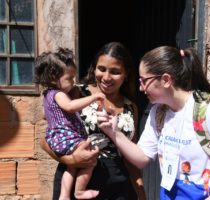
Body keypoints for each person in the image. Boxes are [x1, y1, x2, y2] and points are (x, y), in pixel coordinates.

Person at [97, 46, 210, 199]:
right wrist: (113, 132)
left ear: (165, 80)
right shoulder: (158, 112)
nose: (140, 87)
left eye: (144, 81)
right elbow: (142, 158)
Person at [41, 42, 146, 200]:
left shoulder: (131, 107)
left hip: (118, 186)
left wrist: (140, 192)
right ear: (94, 68)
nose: (106, 77)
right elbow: (45, 140)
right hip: (78, 180)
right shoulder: (76, 93)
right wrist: (71, 159)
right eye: (101, 69)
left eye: (115, 72)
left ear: (126, 74)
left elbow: (132, 156)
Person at [34, 48, 104, 200]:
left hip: (58, 137)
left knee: (71, 166)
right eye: (70, 78)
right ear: (54, 77)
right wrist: (94, 97)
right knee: (90, 161)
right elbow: (71, 106)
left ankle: (64, 195)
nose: (74, 82)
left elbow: (48, 116)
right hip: (67, 137)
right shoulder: (59, 94)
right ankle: (79, 191)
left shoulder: (47, 95)